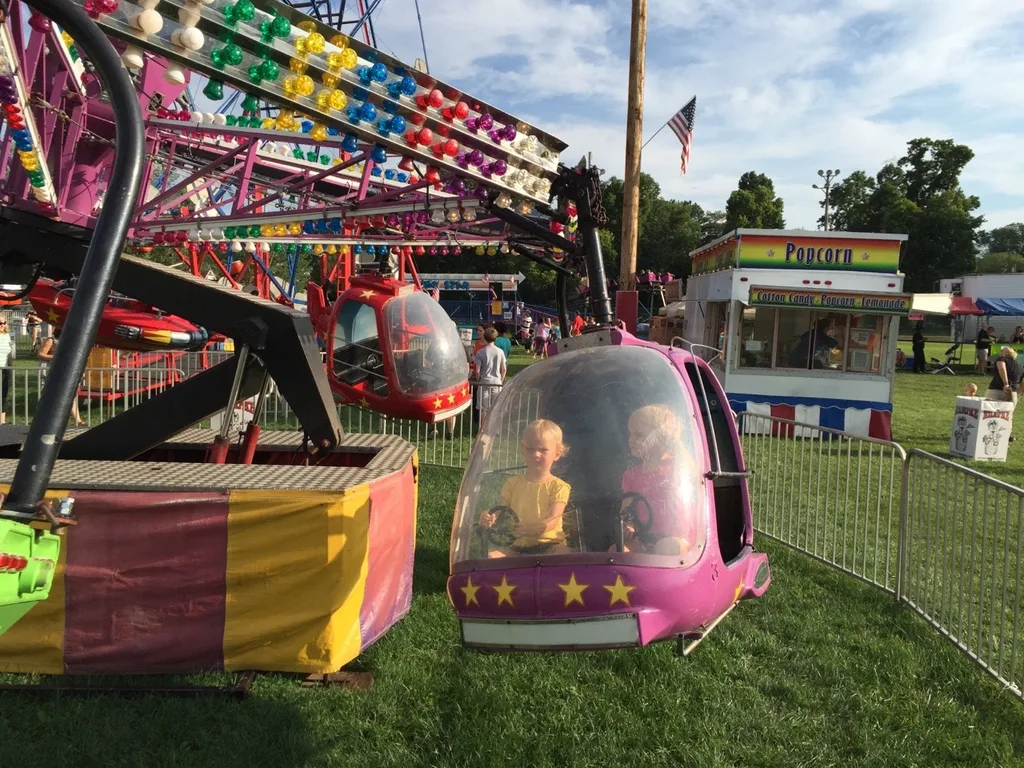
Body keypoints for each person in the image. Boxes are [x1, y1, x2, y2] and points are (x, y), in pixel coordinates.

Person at [478, 419, 571, 557]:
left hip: (549, 545)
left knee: (563, 553)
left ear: (557, 453)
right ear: (523, 449)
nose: (536, 454)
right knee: (491, 557)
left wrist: (531, 529)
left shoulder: (559, 487)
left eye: (543, 450)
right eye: (530, 449)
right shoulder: (512, 483)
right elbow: (500, 512)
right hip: (518, 547)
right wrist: (489, 517)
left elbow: (553, 519)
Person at [617, 404, 699, 556]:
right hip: (643, 537)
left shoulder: (677, 466)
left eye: (639, 435)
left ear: (663, 437)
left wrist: (676, 441)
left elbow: (693, 473)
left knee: (667, 546)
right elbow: (626, 510)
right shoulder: (631, 474)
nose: (631, 440)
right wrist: (628, 525)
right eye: (631, 434)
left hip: (678, 539)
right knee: (617, 550)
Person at [37, 330, 86, 426]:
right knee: (50, 396)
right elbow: (41, 354)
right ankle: (44, 420)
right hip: (52, 370)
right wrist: (56, 356)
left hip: (67, 369)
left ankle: (78, 420)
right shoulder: (51, 340)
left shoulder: (72, 340)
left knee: (70, 395)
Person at [986, 346, 1023, 442]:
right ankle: (1006, 437)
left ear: (1003, 353)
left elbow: (1002, 368)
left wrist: (1006, 384)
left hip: (996, 390)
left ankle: (986, 434)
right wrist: (1016, 394)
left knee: (988, 414)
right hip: (1013, 393)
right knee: (1008, 416)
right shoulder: (1020, 366)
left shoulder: (1001, 359)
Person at [473, 326, 506, 428]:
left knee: (484, 408)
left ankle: (483, 429)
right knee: (495, 407)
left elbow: (477, 370)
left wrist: (478, 380)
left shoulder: (480, 352)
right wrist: (501, 380)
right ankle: (494, 429)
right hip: (496, 381)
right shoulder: (500, 352)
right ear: (495, 337)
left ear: (485, 337)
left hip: (484, 382)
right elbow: (504, 369)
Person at [0, 314, 13, 424]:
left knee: (3, 395)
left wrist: (10, 370)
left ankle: (2, 422)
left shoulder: (7, 336)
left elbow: (9, 355)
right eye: (0, 323)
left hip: (4, 369)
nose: (2, 325)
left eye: (4, 323)